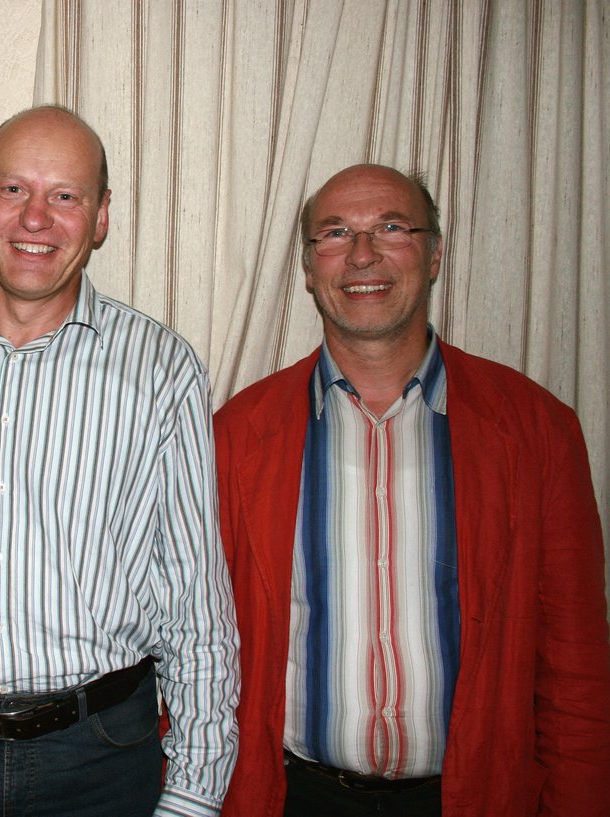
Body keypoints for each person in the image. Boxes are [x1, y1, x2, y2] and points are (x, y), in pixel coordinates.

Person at [0, 105, 240, 817]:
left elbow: (195, 600)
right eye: (13, 189)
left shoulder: (160, 369)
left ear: (100, 217)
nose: (35, 218)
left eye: (64, 195)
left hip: (102, 757)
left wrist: (194, 794)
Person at [215, 164, 610, 816]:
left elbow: (576, 666)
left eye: (392, 227)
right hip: (294, 796)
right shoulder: (237, 434)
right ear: (309, 268)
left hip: (472, 799)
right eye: (335, 233)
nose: (362, 253)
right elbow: (197, 649)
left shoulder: (538, 430)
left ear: (434, 255)